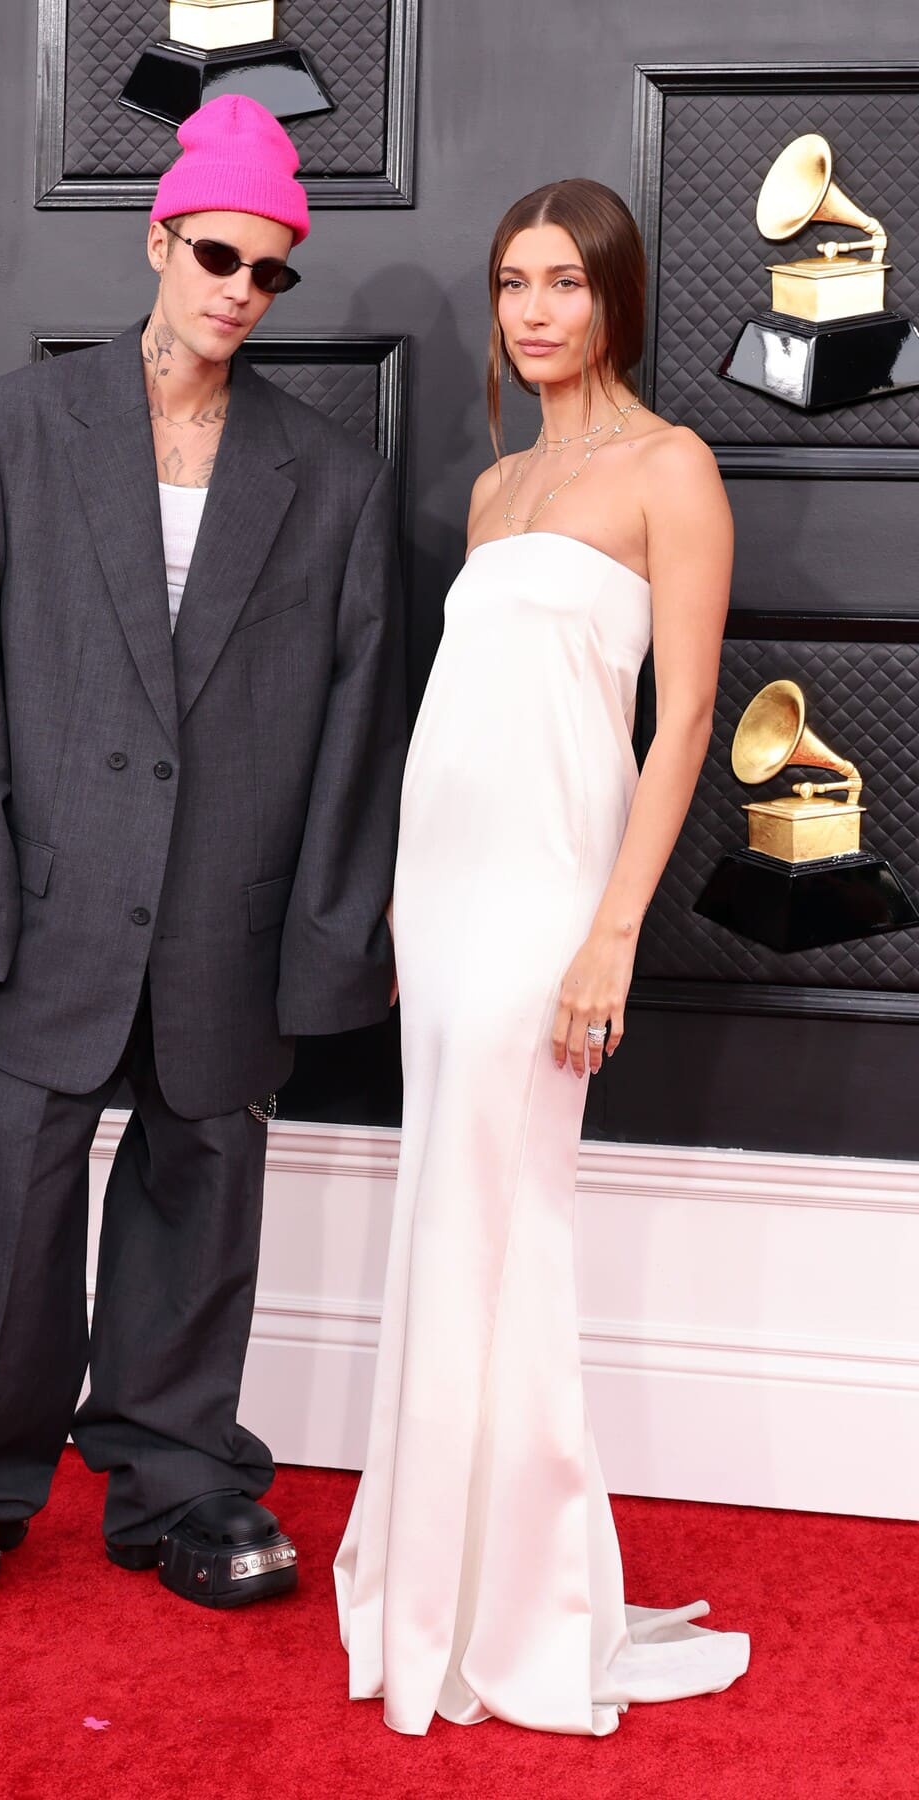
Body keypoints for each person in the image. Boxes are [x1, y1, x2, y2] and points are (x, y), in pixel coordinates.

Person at [0, 94, 405, 1616]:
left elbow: (359, 732)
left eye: (273, 270)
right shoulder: (11, 430)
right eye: (220, 254)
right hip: (47, 906)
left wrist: (323, 945)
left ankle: (178, 1478)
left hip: (227, 914)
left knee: (202, 1201)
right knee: (6, 1217)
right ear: (158, 240)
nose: (242, 288)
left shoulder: (333, 478)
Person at [335, 179, 749, 1734]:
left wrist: (613, 933)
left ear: (616, 298)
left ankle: (514, 1600)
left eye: (565, 282)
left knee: (509, 1223)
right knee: (444, 1213)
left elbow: (685, 717)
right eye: (513, 280)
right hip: (441, 892)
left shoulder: (674, 467)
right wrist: (394, 897)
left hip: (558, 896)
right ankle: (453, 1569)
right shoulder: (497, 489)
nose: (532, 310)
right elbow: (461, 711)